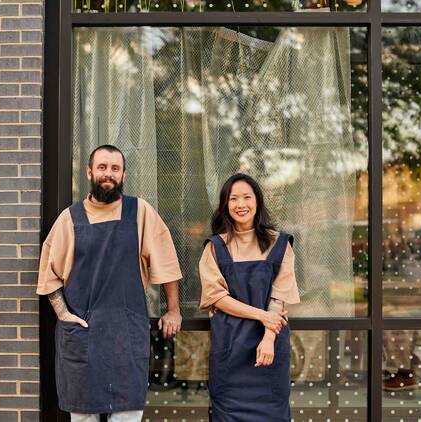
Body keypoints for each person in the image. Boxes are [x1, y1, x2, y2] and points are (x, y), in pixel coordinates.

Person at [37, 144, 183, 422]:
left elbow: (166, 261)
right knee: (82, 416)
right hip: (83, 336)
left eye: (115, 168)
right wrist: (63, 315)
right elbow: (48, 273)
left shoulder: (139, 212)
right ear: (90, 171)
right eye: (102, 167)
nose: (108, 174)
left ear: (124, 174)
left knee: (127, 415)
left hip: (126, 335)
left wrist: (173, 309)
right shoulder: (69, 219)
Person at [199, 173, 300, 421]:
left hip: (269, 348)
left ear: (258, 201)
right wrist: (262, 315)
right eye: (233, 199)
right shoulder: (215, 246)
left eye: (247, 197)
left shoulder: (280, 243)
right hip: (230, 347)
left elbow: (279, 298)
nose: (240, 204)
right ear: (225, 205)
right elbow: (217, 298)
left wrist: (268, 339)